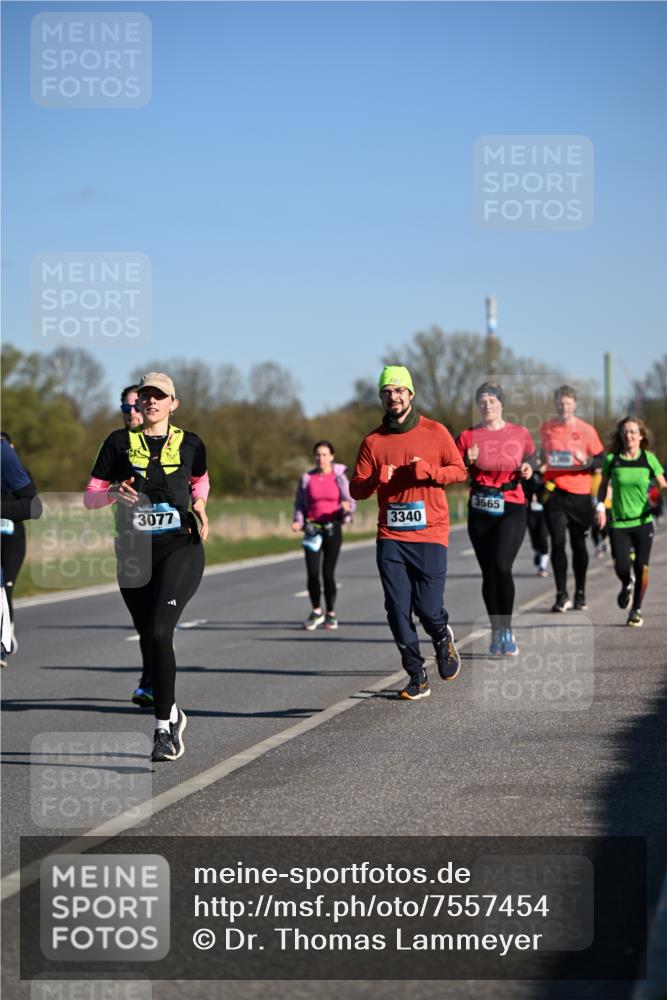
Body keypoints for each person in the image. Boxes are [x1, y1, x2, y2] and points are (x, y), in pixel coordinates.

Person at [84, 372, 210, 761]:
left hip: (180, 546)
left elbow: (199, 480)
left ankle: (161, 733)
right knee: (147, 634)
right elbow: (90, 498)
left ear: (174, 403)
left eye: (160, 396)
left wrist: (201, 506)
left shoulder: (191, 443)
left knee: (159, 633)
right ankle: (173, 714)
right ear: (137, 404)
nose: (152, 402)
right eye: (146, 396)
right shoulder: (118, 443)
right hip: (134, 551)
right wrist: (111, 493)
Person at [350, 365, 467, 701]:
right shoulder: (373, 441)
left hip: (430, 533)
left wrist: (429, 471)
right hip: (391, 536)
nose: (394, 397)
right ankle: (417, 675)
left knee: (428, 609)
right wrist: (375, 481)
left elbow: (460, 471)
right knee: (397, 608)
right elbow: (356, 488)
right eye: (387, 392)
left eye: (399, 391)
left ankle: (442, 637)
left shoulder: (435, 432)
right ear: (381, 397)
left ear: (411, 395)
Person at [455, 382, 536, 656]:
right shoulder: (467, 436)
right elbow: (452, 471)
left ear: (502, 404)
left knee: (502, 566)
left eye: (492, 400)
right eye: (482, 401)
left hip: (511, 504)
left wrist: (528, 469)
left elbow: (532, 460)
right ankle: (496, 629)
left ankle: (508, 628)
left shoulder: (519, 433)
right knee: (489, 572)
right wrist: (466, 461)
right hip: (480, 507)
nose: (487, 405)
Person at [595, 416, 666, 627]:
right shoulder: (612, 460)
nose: (629, 436)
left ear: (641, 435)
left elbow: (662, 484)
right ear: (621, 436)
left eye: (633, 432)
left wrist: (654, 495)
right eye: (625, 432)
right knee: (622, 565)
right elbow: (603, 486)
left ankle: (636, 610)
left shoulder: (648, 459)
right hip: (618, 523)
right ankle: (626, 583)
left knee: (642, 567)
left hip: (643, 522)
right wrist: (599, 506)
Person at [539, 386, 605, 612]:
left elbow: (600, 460)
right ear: (555, 404)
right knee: (557, 543)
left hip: (580, 494)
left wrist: (585, 460)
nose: (563, 407)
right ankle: (561, 594)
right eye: (559, 402)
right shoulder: (546, 428)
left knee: (579, 545)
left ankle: (580, 592)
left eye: (567, 403)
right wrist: (539, 464)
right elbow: (540, 455)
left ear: (575, 404)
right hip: (555, 492)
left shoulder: (587, 430)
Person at [291, 441, 355, 630]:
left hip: (332, 528)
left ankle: (331, 613)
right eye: (318, 455)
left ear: (332, 457)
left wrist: (347, 509)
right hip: (312, 528)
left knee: (328, 573)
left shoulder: (339, 477)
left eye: (325, 454)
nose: (321, 458)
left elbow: (350, 501)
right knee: (312, 573)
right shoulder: (307, 479)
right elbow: (300, 505)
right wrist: (298, 521)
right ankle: (316, 610)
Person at [1, 436, 42, 666]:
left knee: (5, 587)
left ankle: (2, 643)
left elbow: (33, 505)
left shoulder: (14, 467)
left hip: (12, 537)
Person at [524, 470, 550, 577]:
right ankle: (538, 551)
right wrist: (530, 496)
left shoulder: (547, 474)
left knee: (543, 536)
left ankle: (542, 567)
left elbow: (551, 488)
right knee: (534, 537)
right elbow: (523, 489)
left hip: (545, 511)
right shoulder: (528, 473)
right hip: (531, 511)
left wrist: (542, 495)